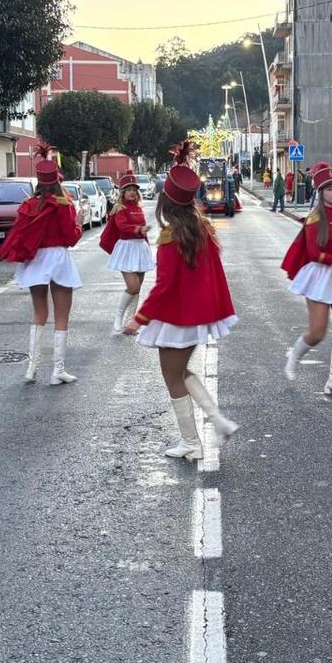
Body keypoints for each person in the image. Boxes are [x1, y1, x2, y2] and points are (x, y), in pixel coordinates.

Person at [124, 143, 239, 458]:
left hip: (175, 319)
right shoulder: (202, 230)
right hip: (195, 318)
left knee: (172, 375)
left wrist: (140, 318)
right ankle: (217, 422)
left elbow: (163, 287)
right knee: (182, 372)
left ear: (165, 203)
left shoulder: (170, 238)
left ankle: (192, 442)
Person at [0, 143, 83, 385]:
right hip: (58, 259)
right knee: (62, 316)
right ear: (57, 180)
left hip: (36, 260)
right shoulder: (64, 203)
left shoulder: (28, 205)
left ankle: (31, 368)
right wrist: (78, 223)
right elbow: (71, 237)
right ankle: (57, 370)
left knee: (38, 313)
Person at [281, 162, 332, 397]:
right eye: (329, 189)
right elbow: (313, 254)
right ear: (320, 192)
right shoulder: (315, 218)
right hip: (320, 275)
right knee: (317, 332)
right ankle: (294, 356)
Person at [100, 170, 154, 334]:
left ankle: (131, 323)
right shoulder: (120, 208)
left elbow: (143, 232)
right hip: (127, 248)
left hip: (140, 248)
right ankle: (118, 317)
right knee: (132, 286)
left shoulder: (139, 208)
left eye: (134, 189)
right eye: (128, 189)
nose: (132, 192)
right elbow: (122, 227)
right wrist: (139, 228)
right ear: (123, 192)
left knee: (138, 288)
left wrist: (147, 245)